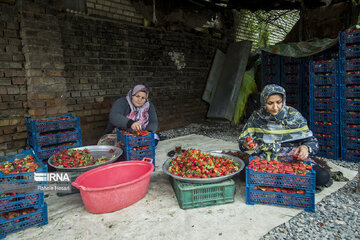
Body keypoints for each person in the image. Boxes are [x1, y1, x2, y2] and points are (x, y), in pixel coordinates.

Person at [238, 84, 332, 188]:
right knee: (243, 172)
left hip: (293, 158)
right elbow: (244, 141)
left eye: (278, 102)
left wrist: (305, 148)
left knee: (322, 177)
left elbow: (311, 141)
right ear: (263, 102)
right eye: (270, 103)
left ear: (283, 100)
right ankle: (290, 181)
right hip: (267, 157)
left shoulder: (293, 116)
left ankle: (275, 179)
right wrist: (246, 144)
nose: (275, 107)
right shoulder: (257, 117)